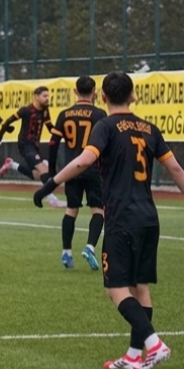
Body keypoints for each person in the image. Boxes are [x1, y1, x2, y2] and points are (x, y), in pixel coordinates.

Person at [35, 71, 184, 369]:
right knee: (139, 287)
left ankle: (154, 343)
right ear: (133, 96)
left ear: (103, 97)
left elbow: (83, 161)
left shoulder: (105, 127)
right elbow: (173, 166)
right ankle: (134, 355)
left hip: (121, 219)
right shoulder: (149, 128)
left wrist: (49, 183)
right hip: (148, 218)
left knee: (116, 289)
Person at [47, 76, 107, 270]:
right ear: (94, 92)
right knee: (98, 210)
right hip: (93, 168)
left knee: (71, 210)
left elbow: (53, 144)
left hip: (72, 168)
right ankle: (90, 247)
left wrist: (52, 171)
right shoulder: (100, 114)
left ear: (75, 91)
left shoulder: (64, 114)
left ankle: (66, 252)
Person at [0, 85, 66, 210]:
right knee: (45, 171)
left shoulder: (45, 111)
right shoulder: (26, 110)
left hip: (34, 146)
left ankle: (12, 164)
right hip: (25, 145)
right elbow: (8, 121)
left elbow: (50, 127)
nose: (47, 98)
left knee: (37, 175)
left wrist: (65, 134)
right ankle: (52, 200)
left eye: (48, 96)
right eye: (44, 96)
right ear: (36, 97)